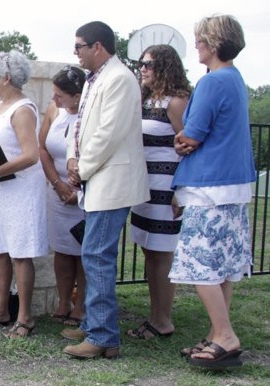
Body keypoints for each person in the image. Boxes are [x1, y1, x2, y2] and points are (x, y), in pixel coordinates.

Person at [61, 21, 149, 359]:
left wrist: (80, 169)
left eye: (80, 46)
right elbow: (79, 124)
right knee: (94, 255)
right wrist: (72, 159)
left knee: (97, 256)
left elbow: (108, 134)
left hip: (111, 181)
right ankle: (95, 325)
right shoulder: (95, 79)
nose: (76, 53)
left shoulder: (120, 79)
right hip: (97, 178)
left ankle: (103, 336)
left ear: (98, 46)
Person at [171, 15, 252, 370]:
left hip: (208, 184)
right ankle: (216, 333)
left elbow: (192, 134)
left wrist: (183, 141)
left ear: (214, 44)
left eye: (200, 40)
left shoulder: (212, 82)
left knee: (199, 263)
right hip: (234, 184)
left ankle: (225, 335)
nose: (197, 47)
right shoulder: (236, 80)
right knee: (222, 266)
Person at [0, 50, 47, 337]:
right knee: (0, 250)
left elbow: (31, 154)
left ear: (5, 77)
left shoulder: (22, 109)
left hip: (21, 190)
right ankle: (1, 310)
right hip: (0, 189)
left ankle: (25, 317)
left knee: (21, 253)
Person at [125, 44, 191, 340]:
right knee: (149, 251)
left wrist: (182, 190)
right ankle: (155, 315)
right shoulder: (148, 99)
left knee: (161, 254)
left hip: (166, 188)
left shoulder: (177, 102)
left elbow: (191, 148)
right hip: (144, 186)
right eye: (141, 64)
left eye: (148, 64)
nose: (143, 69)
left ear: (164, 66)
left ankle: (162, 320)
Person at [39, 65, 87, 327]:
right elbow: (42, 148)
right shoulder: (54, 110)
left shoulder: (90, 114)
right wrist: (57, 183)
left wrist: (77, 190)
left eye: (60, 95)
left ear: (78, 96)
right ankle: (63, 300)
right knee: (62, 250)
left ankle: (81, 305)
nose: (55, 100)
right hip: (57, 189)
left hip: (83, 193)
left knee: (82, 251)